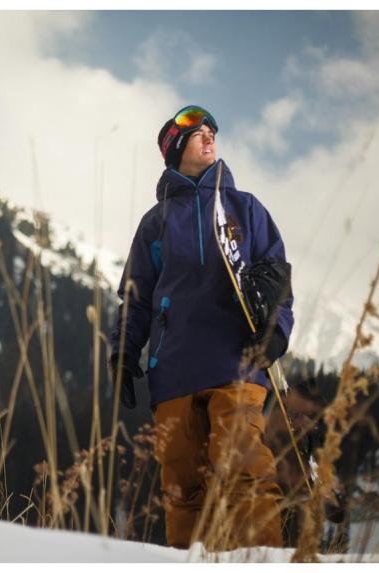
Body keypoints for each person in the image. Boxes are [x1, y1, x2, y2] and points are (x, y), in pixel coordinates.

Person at [108, 105, 294, 550]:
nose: (210, 138)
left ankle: (259, 560)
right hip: (171, 372)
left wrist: (277, 330)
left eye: (212, 132)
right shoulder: (155, 224)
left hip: (236, 363)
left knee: (244, 471)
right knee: (183, 489)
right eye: (198, 135)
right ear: (174, 150)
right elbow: (136, 297)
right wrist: (123, 354)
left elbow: (278, 278)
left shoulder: (244, 208)